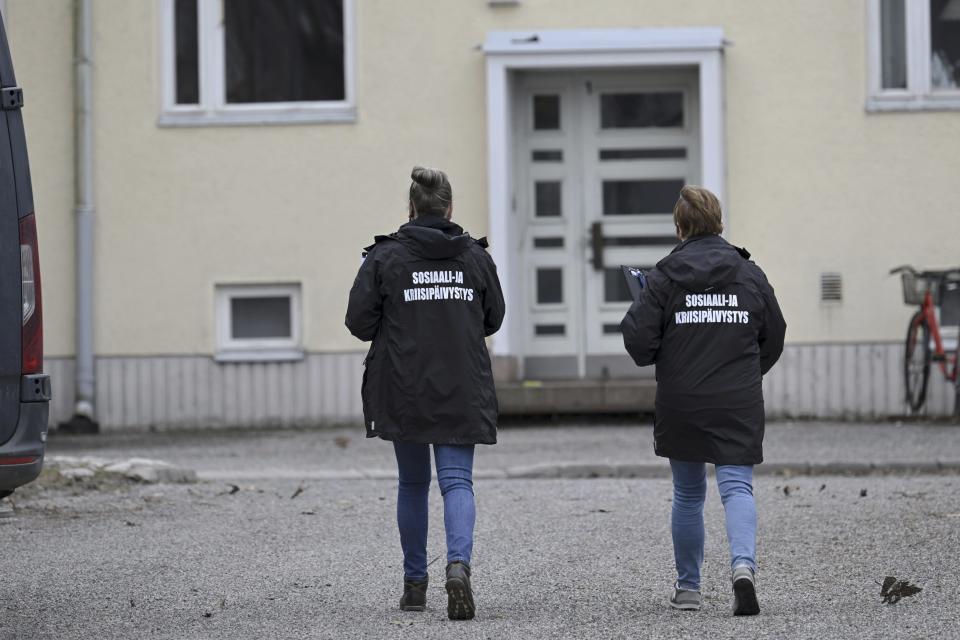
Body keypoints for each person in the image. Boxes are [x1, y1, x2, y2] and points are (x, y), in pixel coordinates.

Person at [345, 166, 505, 620]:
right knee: (457, 482)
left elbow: (358, 323)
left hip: (404, 385)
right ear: (450, 208)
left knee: (413, 484)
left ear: (411, 209)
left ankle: (415, 586)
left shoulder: (385, 257)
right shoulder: (474, 257)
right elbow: (493, 318)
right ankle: (459, 567)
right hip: (461, 384)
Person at [620, 185, 786, 616]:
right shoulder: (750, 274)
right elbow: (775, 335)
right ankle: (743, 569)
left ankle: (689, 589)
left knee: (689, 495)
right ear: (719, 224)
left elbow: (639, 345)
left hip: (683, 401)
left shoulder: (664, 276)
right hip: (737, 399)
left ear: (679, 228)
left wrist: (641, 304)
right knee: (736, 487)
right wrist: (748, 374)